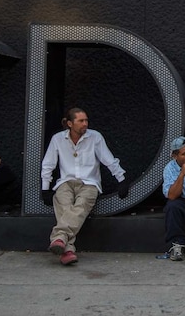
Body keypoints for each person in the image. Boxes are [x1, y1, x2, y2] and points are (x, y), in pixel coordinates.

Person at [41, 107, 129, 266]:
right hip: (65, 182)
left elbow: (108, 159)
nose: (85, 124)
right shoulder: (57, 139)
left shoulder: (95, 137)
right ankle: (67, 250)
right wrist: (45, 188)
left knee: (80, 207)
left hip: (89, 183)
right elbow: (48, 164)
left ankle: (59, 238)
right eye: (81, 121)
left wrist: (121, 179)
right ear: (69, 123)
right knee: (64, 205)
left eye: (86, 120)